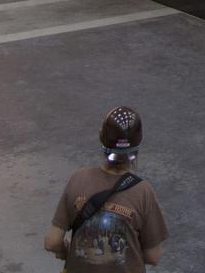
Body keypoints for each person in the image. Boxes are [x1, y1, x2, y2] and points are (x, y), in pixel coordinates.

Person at [44, 106, 168, 269]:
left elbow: (52, 242)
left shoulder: (79, 178)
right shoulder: (143, 191)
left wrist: (66, 252)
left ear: (101, 137)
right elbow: (154, 256)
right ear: (138, 144)